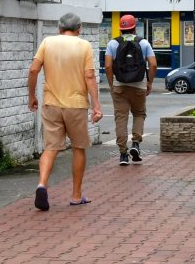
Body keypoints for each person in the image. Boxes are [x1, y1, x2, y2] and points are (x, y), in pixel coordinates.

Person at [27, 12, 102, 210]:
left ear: (59, 28)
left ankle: (42, 184)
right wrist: (96, 105)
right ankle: (76, 195)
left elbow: (33, 70)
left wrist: (32, 96)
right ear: (79, 29)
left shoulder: (47, 42)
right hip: (76, 105)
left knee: (50, 147)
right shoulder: (84, 45)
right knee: (78, 147)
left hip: (51, 104)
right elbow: (90, 77)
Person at [104, 14, 157, 166]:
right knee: (139, 114)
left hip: (119, 85)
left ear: (121, 28)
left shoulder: (113, 44)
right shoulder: (144, 43)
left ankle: (123, 154)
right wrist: (149, 82)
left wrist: (111, 84)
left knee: (121, 118)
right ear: (134, 28)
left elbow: (108, 66)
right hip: (139, 85)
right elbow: (153, 65)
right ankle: (135, 144)